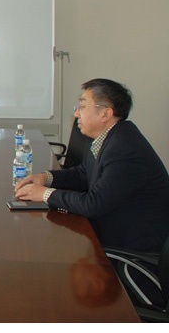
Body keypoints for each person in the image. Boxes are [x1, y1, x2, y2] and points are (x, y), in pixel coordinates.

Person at [15, 78, 169, 252]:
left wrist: (44, 194)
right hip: (110, 230)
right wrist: (45, 178)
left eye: (82, 106)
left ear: (105, 114)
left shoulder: (125, 150)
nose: (76, 114)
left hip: (130, 248)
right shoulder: (112, 137)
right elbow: (82, 174)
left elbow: (93, 204)